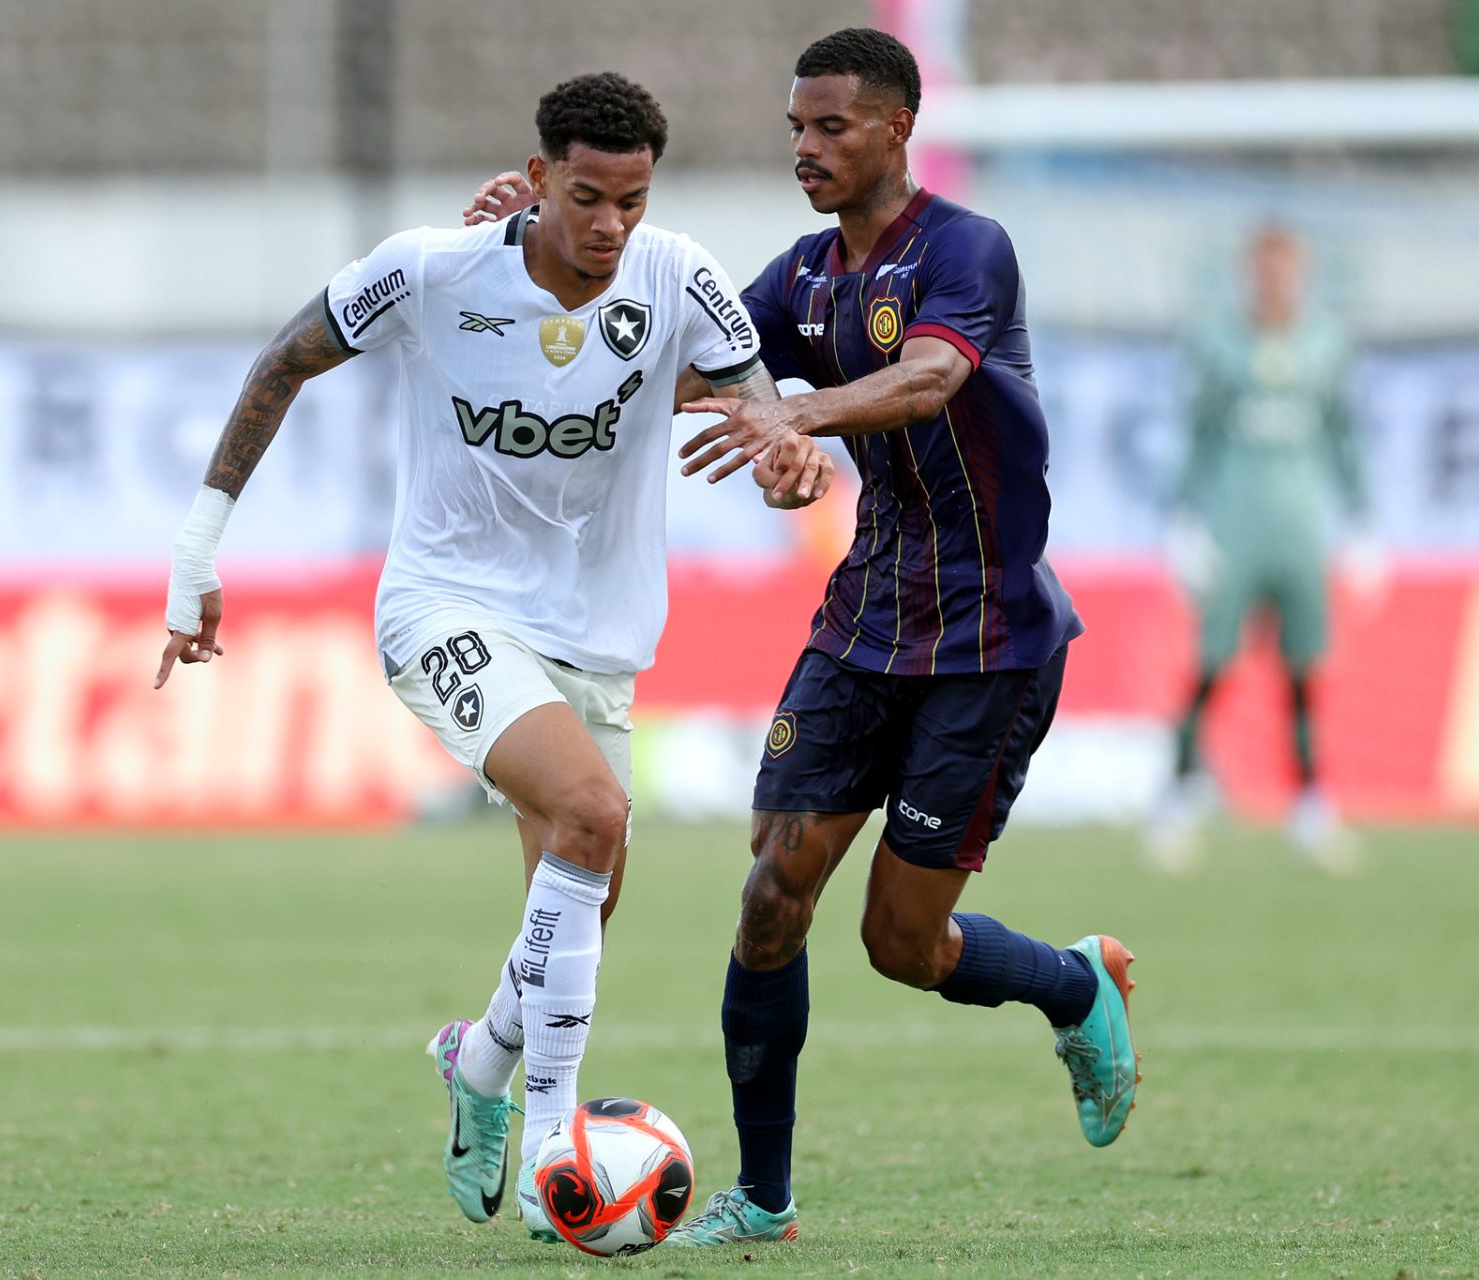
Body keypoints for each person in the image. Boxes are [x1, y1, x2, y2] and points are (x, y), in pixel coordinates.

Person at [466, 27, 1138, 1248]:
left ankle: (1073, 983)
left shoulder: (964, 248)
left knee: (901, 941)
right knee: (771, 896)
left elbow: (931, 375)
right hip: (864, 619)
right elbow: (662, 355)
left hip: (990, 637)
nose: (806, 149)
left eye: (830, 128)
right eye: (794, 129)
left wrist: (799, 413)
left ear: (895, 129)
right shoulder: (802, 278)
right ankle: (765, 1196)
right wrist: (526, 243)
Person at [156, 72, 833, 1243]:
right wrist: (196, 552)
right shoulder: (435, 267)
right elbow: (283, 360)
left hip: (598, 632)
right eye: (586, 197)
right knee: (592, 808)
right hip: (445, 606)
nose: (611, 223)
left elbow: (753, 399)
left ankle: (476, 1061)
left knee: (578, 897)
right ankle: (555, 1144)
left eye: (631, 198)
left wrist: (785, 456)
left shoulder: (679, 273)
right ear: (534, 183)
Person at [1148, 223, 1379, 875]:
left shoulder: (1326, 343)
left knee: (1304, 668)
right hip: (1235, 523)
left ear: (1300, 274)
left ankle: (1309, 800)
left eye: (1285, 269)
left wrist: (1361, 520)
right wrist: (1183, 520)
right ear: (1250, 274)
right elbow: (1199, 436)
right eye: (1264, 268)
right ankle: (1178, 791)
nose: (1275, 281)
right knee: (1213, 661)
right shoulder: (1217, 344)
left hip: (1302, 526)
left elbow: (1342, 434)